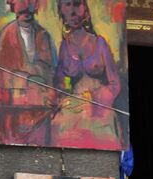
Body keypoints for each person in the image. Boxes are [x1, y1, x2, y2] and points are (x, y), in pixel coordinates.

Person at [52, 0, 124, 149]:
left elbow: (115, 84)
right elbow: (60, 85)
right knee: (57, 125)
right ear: (61, 12)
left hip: (100, 108)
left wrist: (95, 97)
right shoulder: (64, 47)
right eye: (67, 5)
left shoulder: (100, 43)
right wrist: (62, 98)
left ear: (85, 10)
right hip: (74, 108)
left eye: (77, 4)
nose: (73, 12)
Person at [0, 0, 56, 146]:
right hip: (15, 103)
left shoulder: (43, 34)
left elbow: (49, 69)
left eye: (30, 9)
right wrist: (29, 75)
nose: (26, 13)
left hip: (39, 102)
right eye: (22, 10)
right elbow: (4, 71)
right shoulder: (7, 33)